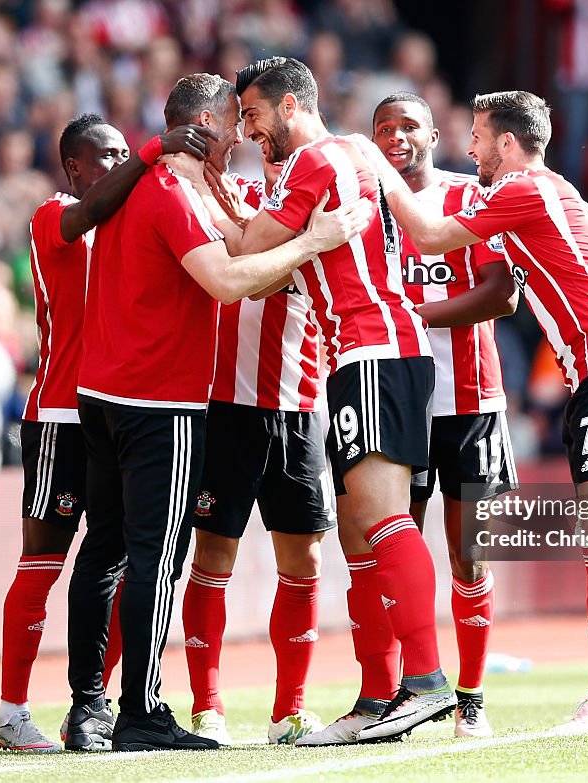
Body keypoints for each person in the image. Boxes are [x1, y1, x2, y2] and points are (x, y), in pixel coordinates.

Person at [355, 89, 588, 735]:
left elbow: (427, 231)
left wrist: (374, 166)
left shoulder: (526, 189)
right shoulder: (529, 196)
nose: (470, 148)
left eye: (478, 136)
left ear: (507, 143)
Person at [65, 72, 370, 753]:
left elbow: (227, 250)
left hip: (112, 393)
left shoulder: (154, 187)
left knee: (107, 552)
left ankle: (90, 705)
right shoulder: (174, 192)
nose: (242, 131)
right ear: (205, 121)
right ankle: (144, 710)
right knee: (158, 559)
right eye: (235, 118)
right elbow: (229, 279)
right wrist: (314, 241)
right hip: (162, 402)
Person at [195, 57, 455, 745]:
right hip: (377, 351)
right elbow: (427, 232)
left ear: (288, 106)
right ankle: (377, 696)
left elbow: (249, 252)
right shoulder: (361, 151)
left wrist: (203, 191)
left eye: (251, 114)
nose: (248, 130)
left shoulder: (314, 161)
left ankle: (424, 682)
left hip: (367, 350)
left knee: (379, 517)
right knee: (359, 534)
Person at [0, 112, 216, 752]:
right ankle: (11, 708)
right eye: (106, 154)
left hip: (119, 408)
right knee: (43, 564)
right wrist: (150, 153)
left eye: (124, 150)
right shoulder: (55, 214)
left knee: (123, 560)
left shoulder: (132, 212)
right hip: (61, 414)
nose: (121, 161)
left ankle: (91, 707)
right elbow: (84, 216)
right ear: (74, 168)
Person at [354, 91, 518, 740]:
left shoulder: (468, 197)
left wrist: (410, 316)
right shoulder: (363, 210)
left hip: (471, 400)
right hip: (397, 402)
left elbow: (502, 294)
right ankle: (408, 686)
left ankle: (471, 696)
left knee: (468, 556)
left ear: (434, 133)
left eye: (408, 126)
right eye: (383, 127)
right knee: (397, 546)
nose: (396, 136)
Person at [182, 164, 333, 745]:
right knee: (213, 553)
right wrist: (298, 247)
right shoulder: (237, 191)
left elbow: (266, 272)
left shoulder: (328, 196)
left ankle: (288, 712)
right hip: (222, 407)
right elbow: (231, 269)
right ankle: (207, 707)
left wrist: (282, 255)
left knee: (305, 561)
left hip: (298, 405)